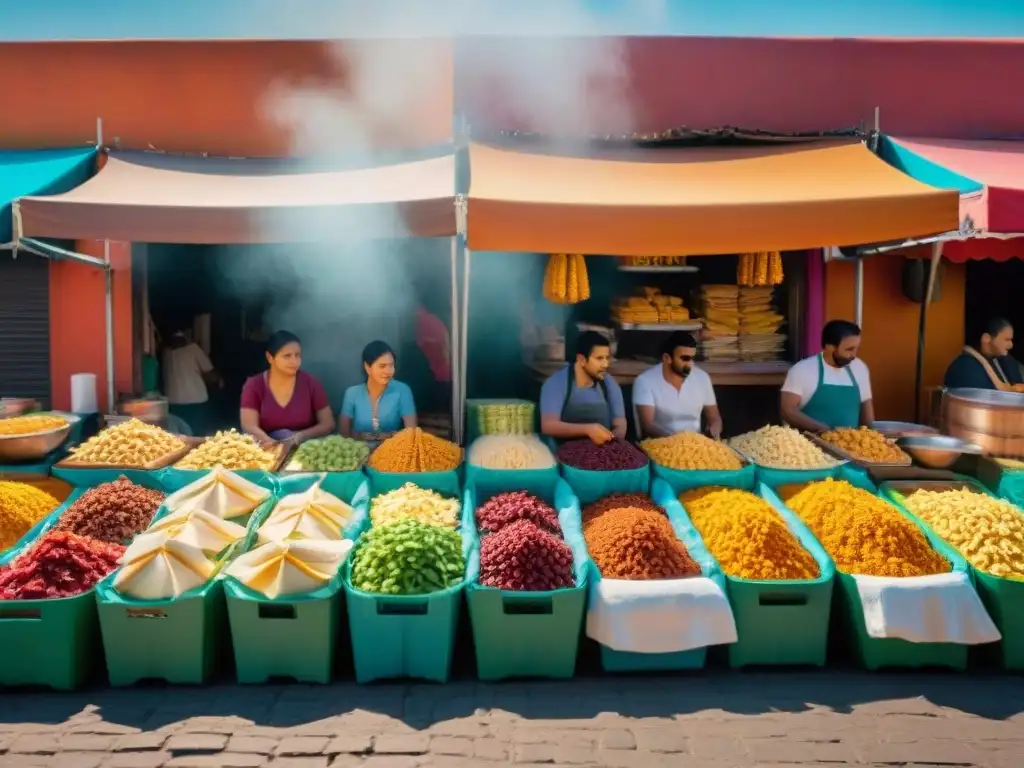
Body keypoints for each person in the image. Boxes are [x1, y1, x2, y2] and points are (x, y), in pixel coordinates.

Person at [240, 331, 335, 444]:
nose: (294, 361)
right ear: (270, 357)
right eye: (287, 356)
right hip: (264, 451)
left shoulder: (311, 384)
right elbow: (249, 426)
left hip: (303, 450)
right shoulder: (254, 385)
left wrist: (301, 436)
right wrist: (274, 446)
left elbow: (328, 424)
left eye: (297, 355)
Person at [781, 319, 874, 432]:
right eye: (849, 349)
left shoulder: (859, 368)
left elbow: (867, 411)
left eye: (856, 349)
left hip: (849, 446)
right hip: (809, 445)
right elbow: (787, 410)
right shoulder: (802, 370)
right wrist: (822, 430)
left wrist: (872, 436)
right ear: (830, 347)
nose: (854, 355)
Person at [540, 330, 627, 444]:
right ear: (581, 359)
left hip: (603, 451)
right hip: (563, 453)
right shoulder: (556, 383)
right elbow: (548, 426)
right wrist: (588, 430)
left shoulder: (609, 384)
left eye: (607, 358)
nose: (605, 364)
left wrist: (611, 446)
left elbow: (620, 424)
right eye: (599, 358)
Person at [633, 332, 722, 439]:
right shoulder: (645, 381)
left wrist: (714, 428)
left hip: (695, 445)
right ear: (667, 358)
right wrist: (676, 439)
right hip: (660, 445)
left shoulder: (702, 378)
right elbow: (648, 424)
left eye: (692, 358)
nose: (690, 364)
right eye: (685, 359)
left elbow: (714, 417)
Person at [339, 341, 418, 441]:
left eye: (391, 365)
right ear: (367, 367)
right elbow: (344, 436)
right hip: (359, 452)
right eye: (382, 366)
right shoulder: (352, 394)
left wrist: (384, 436)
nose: (388, 371)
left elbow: (411, 433)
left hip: (393, 451)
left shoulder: (402, 390)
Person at [162, 328, 222, 436]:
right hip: (195, 402)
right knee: (196, 435)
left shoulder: (165, 352)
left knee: (178, 435)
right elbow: (211, 375)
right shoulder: (193, 349)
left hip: (172, 403)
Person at [944, 318, 1024, 392]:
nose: (1011, 345)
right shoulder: (966, 367)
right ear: (986, 338)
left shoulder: (1005, 361)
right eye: (1007, 340)